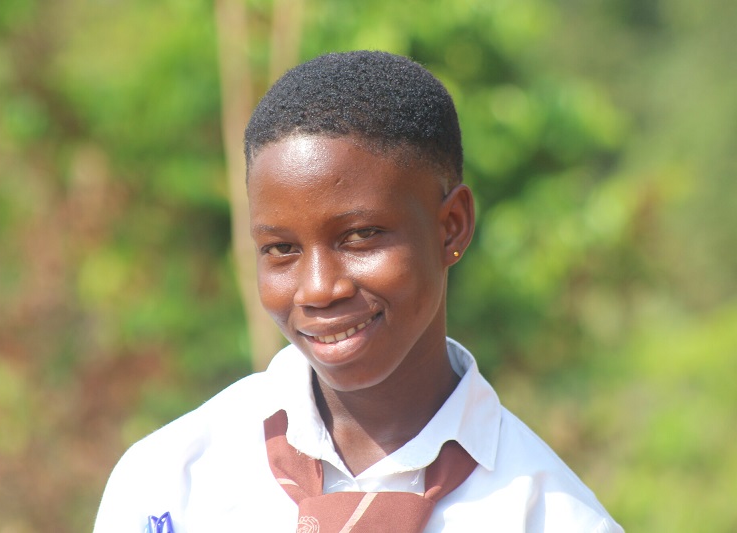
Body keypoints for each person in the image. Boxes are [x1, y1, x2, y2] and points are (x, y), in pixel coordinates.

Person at [93, 51, 623, 533]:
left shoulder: (548, 517)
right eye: (281, 249)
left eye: (361, 236)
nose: (320, 289)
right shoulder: (170, 484)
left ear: (452, 227)